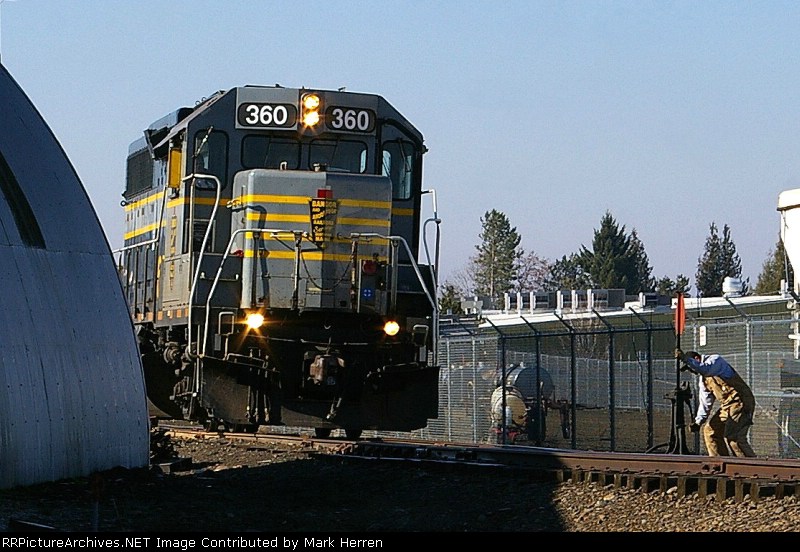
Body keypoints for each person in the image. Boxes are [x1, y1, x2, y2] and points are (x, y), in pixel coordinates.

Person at [674, 348, 756, 457]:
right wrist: (698, 422)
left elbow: (705, 369)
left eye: (690, 367)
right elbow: (705, 403)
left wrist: (685, 359)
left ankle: (749, 464)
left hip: (741, 401)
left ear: (697, 359)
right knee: (710, 431)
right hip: (727, 406)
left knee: (734, 437)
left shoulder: (715, 361)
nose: (692, 371)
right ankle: (720, 462)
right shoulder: (704, 381)